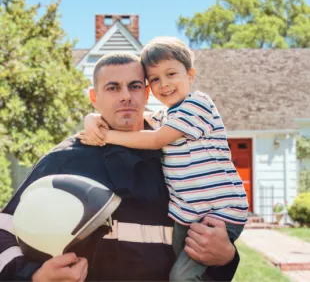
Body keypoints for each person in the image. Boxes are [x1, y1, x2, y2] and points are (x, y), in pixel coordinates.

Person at [0, 52, 240, 282]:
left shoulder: (179, 157)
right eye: (113, 88)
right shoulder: (65, 159)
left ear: (147, 94)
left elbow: (211, 243)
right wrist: (33, 276)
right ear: (94, 98)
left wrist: (227, 258)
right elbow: (4, 230)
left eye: (135, 86)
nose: (125, 96)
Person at [78, 38, 248, 281]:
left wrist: (106, 135)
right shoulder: (169, 115)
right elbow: (135, 113)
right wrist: (93, 118)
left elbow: (156, 139)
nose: (164, 84)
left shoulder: (197, 105)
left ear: (190, 74)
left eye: (171, 74)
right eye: (155, 79)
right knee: (177, 268)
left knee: (182, 277)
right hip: (188, 213)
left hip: (218, 212)